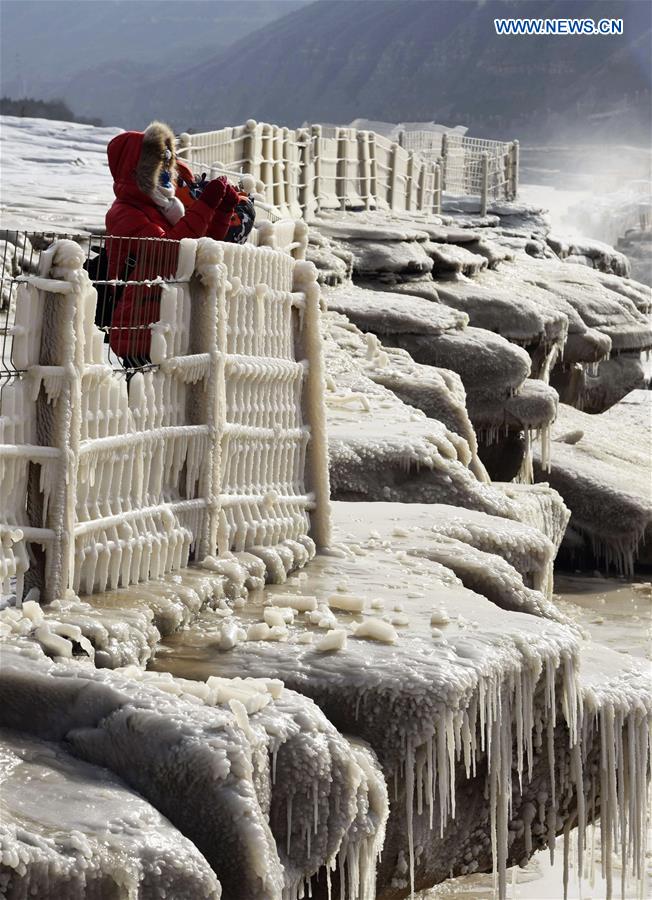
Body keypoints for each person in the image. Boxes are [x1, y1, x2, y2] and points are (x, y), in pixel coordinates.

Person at [104, 121, 239, 362]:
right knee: (143, 387)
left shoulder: (164, 209)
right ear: (137, 170)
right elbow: (170, 251)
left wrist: (222, 211)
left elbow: (200, 249)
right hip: (141, 329)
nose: (166, 171)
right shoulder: (125, 213)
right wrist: (205, 205)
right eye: (158, 163)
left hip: (168, 322)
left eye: (168, 162)